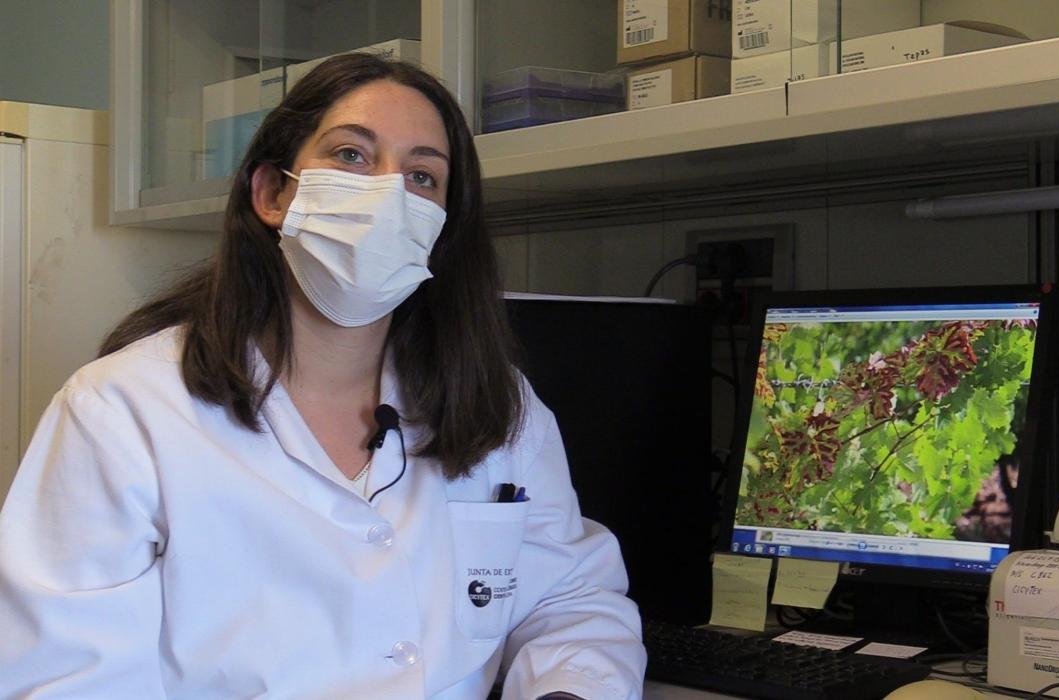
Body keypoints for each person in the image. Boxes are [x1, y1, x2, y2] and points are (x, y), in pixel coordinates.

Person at [0, 53, 645, 699]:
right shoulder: (124, 409)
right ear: (273, 194)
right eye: (352, 156)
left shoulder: (499, 406)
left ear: (442, 227)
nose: (388, 195)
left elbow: (569, 601)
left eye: (422, 176)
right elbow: (68, 676)